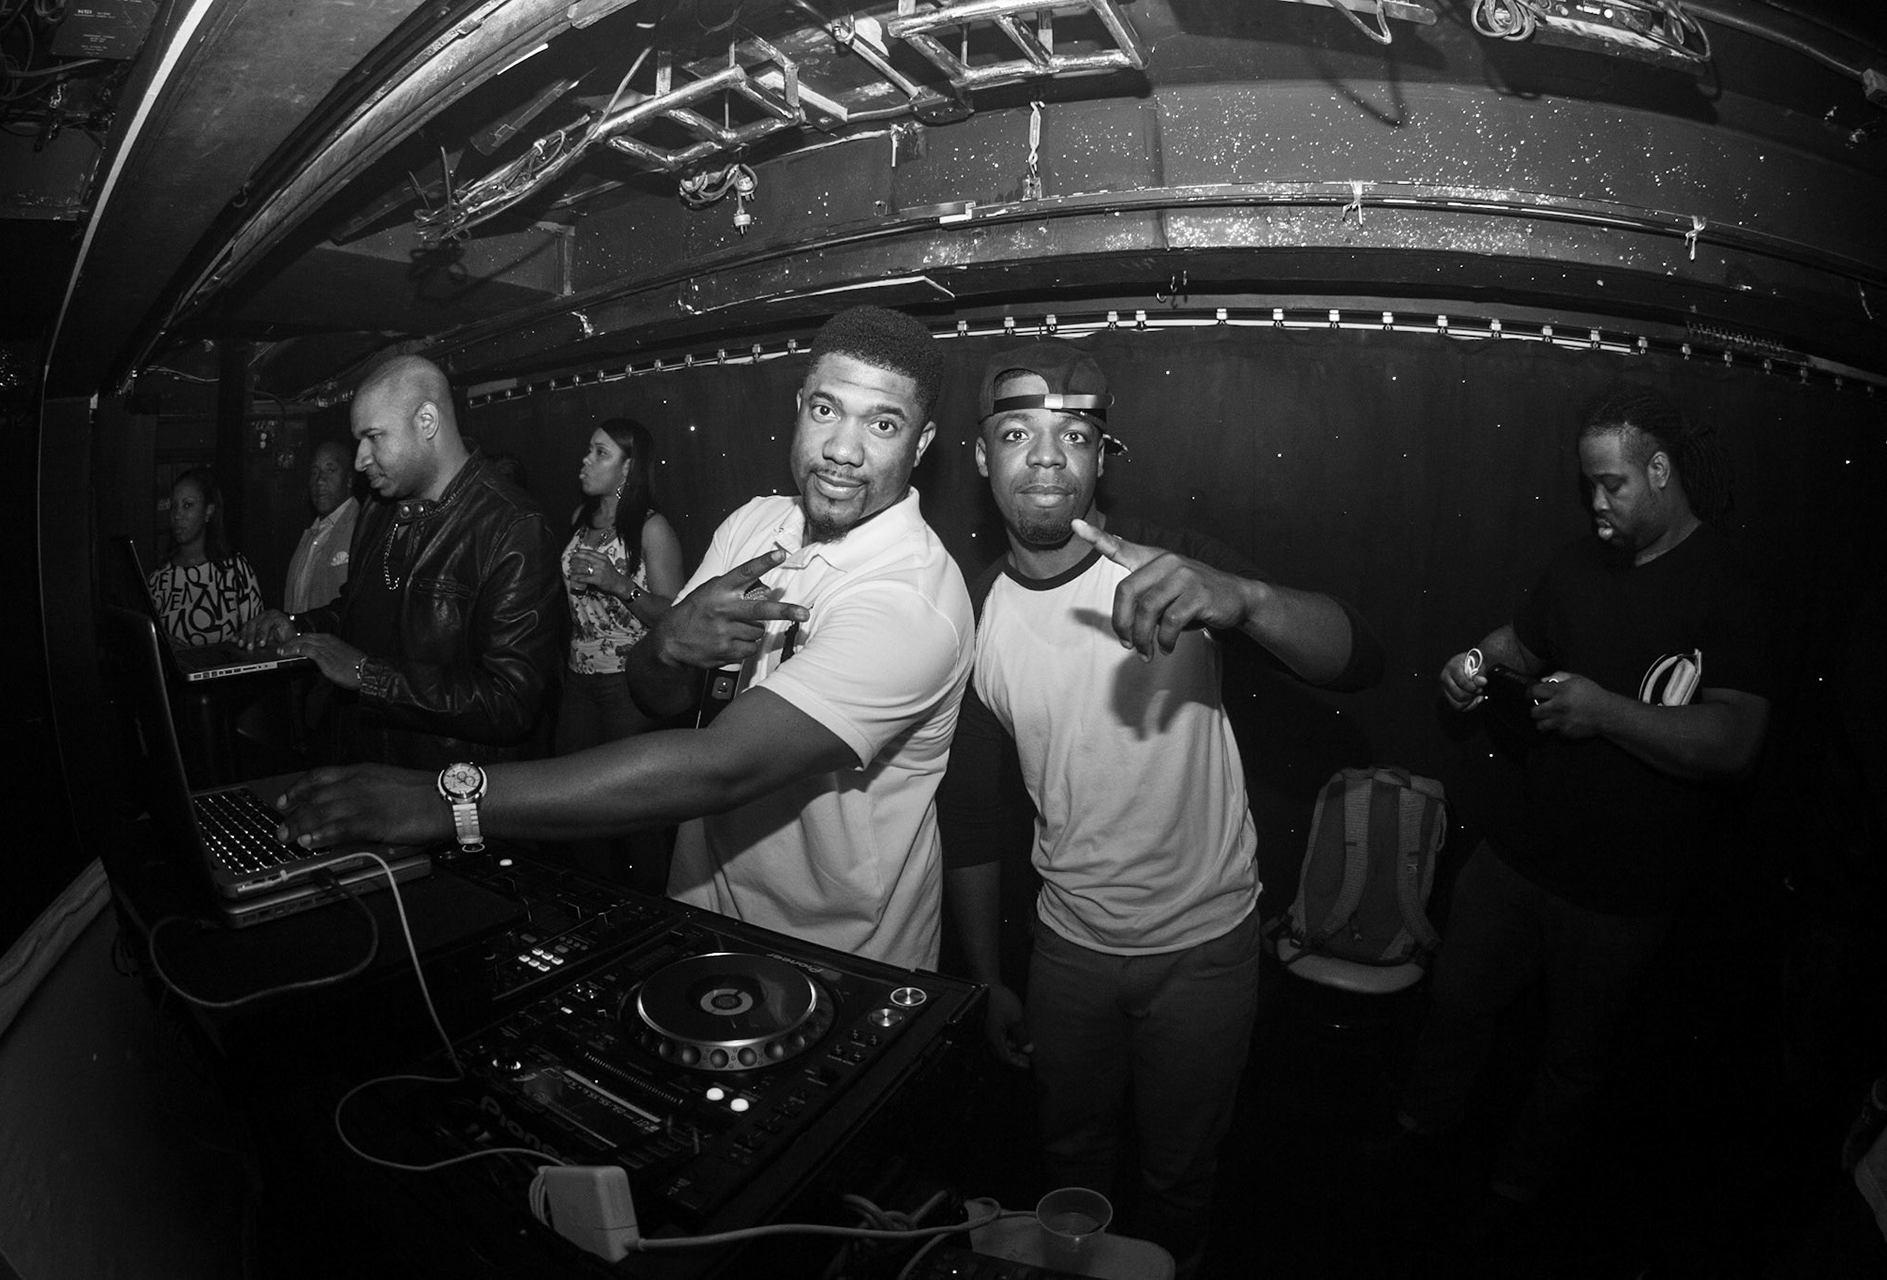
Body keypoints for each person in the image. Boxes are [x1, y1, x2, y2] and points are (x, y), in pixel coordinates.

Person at [269, 306, 974, 971]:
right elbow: (658, 693)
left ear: (922, 444)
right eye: (826, 410)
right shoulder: (756, 525)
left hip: (840, 950)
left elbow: (720, 765)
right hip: (704, 903)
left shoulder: (911, 600)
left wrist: (446, 800)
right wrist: (666, 645)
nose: (843, 449)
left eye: (883, 424)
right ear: (798, 408)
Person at [937, 344, 1384, 1274]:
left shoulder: (1176, 567)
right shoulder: (972, 614)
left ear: (1103, 456)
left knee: (1181, 1176)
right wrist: (986, 977)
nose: (1047, 457)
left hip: (1205, 946)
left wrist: (1244, 600)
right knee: (1069, 1164)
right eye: (1017, 434)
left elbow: (1359, 660)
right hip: (1068, 954)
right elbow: (972, 815)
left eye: (1075, 435)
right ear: (981, 456)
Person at [1374, 384, 1774, 1208]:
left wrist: (1605, 713)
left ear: (1659, 471)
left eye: (1612, 484)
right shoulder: (1576, 564)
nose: (1595, 502)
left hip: (1624, 891)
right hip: (1521, 855)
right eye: (1588, 483)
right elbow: (1518, 645)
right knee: (1454, 1004)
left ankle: (1522, 1192)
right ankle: (1420, 1137)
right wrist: (1472, 666)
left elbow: (1736, 741)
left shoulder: (1730, 583)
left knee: (1574, 1058)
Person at [241, 355, 562, 771]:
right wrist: (302, 626)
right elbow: (359, 611)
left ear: (427, 421)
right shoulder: (378, 509)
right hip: (367, 767)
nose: (361, 459)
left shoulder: (511, 527)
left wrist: (368, 676)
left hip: (441, 788)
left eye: (373, 437)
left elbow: (510, 701)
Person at [555, 417, 685, 889]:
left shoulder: (651, 528)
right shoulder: (579, 519)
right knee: (573, 805)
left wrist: (618, 584)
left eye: (601, 453)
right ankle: (591, 907)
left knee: (633, 814)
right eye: (589, 450)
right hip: (579, 680)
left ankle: (647, 911)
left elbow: (673, 618)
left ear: (629, 468)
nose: (586, 461)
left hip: (628, 685)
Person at [149, 467, 264, 646]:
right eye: (174, 506)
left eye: (187, 505)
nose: (177, 515)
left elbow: (257, 637)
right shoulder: (159, 580)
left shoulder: (235, 571)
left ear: (208, 511)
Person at [282, 439, 360, 615]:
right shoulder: (312, 535)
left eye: (330, 470)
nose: (320, 480)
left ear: (349, 479)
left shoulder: (361, 529)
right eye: (314, 472)